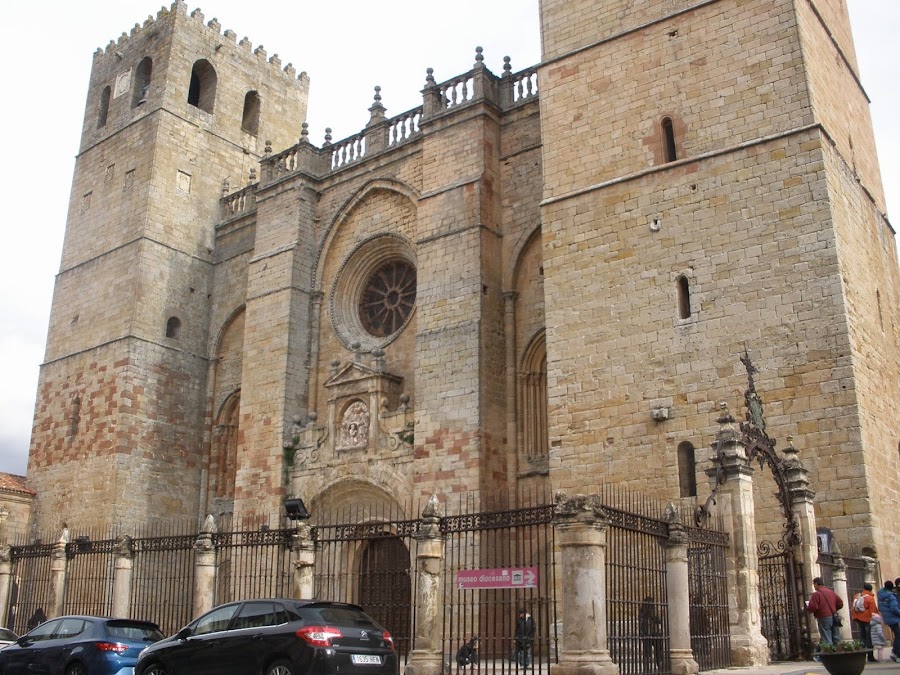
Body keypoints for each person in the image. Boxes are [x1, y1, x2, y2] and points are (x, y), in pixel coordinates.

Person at [805, 577, 843, 651]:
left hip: (823, 617)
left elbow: (813, 607)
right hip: (834, 616)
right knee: (836, 636)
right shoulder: (831, 592)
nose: (814, 586)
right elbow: (840, 603)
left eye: (814, 584)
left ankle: (829, 653)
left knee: (826, 636)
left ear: (816, 583)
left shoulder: (816, 594)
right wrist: (834, 609)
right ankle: (838, 652)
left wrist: (807, 609)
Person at [850, 583, 877, 662]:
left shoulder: (857, 596)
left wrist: (855, 617)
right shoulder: (870, 598)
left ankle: (861, 655)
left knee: (862, 637)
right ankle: (870, 656)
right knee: (869, 638)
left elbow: (853, 608)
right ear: (870, 589)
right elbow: (873, 611)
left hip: (859, 619)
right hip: (868, 620)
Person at [876, 579, 900, 662]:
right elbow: (894, 608)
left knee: (897, 635)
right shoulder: (891, 596)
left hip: (887, 618)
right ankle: (894, 652)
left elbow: (880, 607)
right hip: (894, 618)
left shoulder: (880, 595)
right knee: (898, 635)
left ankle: (895, 652)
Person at [638, 596, 664, 672]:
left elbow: (659, 620)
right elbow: (641, 622)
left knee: (658, 652)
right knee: (648, 652)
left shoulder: (654, 611)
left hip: (655, 633)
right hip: (647, 633)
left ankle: (660, 666)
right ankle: (647, 668)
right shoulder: (643, 612)